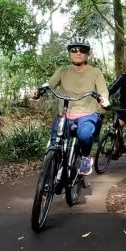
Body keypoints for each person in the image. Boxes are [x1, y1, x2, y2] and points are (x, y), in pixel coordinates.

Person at [31, 36, 110, 175]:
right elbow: (49, 85)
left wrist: (104, 99)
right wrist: (38, 92)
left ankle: (85, 157)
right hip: (65, 114)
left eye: (82, 50)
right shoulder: (63, 71)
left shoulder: (95, 72)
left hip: (87, 113)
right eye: (74, 50)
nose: (78, 52)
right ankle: (52, 175)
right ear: (69, 53)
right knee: (54, 143)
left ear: (87, 53)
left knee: (85, 135)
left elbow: (103, 89)